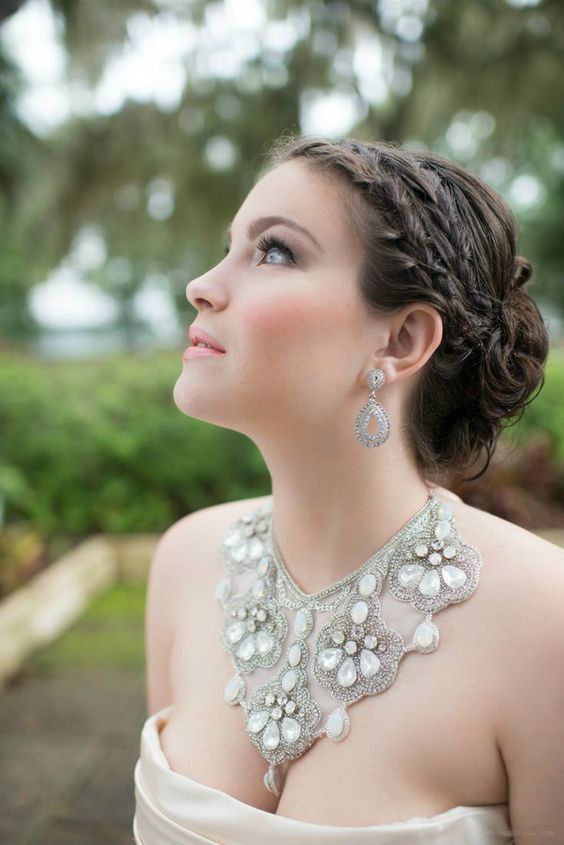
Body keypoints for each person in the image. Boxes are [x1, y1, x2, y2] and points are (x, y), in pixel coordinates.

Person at [133, 135, 564, 845]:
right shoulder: (186, 560)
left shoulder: (545, 621)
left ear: (401, 340)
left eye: (274, 251)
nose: (201, 285)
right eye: (227, 247)